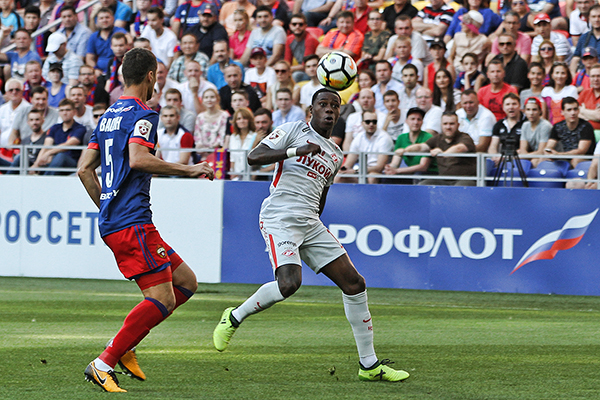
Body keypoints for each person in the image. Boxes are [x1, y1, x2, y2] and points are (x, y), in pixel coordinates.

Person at [213, 89, 410, 383]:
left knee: (354, 284)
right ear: (311, 110)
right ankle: (234, 316)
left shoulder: (336, 154)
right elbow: (255, 157)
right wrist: (296, 151)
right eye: (323, 104)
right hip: (280, 216)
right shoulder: (293, 130)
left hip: (310, 221)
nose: (329, 109)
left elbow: (322, 194)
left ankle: (369, 365)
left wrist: (316, 220)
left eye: (335, 106)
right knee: (289, 284)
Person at [79, 47, 214, 393]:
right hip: (132, 222)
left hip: (120, 221)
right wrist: (189, 169)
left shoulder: (107, 116)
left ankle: (125, 345)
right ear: (151, 76)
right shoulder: (144, 114)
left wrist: (106, 206)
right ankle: (104, 362)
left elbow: (84, 170)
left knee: (186, 282)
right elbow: (138, 159)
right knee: (163, 298)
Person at [404, 112, 477, 186]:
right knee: (422, 185)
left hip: (465, 179)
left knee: (457, 189)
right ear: (441, 125)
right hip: (443, 179)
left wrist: (443, 154)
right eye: (445, 124)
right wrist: (405, 150)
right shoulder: (438, 138)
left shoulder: (465, 137)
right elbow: (421, 147)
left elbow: (460, 148)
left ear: (458, 125)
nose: (448, 127)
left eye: (452, 124)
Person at [30, 98, 86, 175]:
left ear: (74, 112)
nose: (64, 113)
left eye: (68, 110)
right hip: (53, 161)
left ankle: (45, 180)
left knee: (60, 156)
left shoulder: (80, 128)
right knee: (22, 158)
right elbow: (46, 146)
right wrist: (36, 164)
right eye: (62, 110)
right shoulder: (54, 128)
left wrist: (49, 153)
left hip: (71, 163)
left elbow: (68, 144)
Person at [337, 110, 393, 184]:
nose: (371, 124)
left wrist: (355, 171)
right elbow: (349, 163)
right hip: (361, 171)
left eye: (374, 122)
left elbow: (380, 167)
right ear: (362, 123)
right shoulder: (359, 137)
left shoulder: (384, 137)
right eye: (368, 122)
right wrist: (343, 170)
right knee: (338, 177)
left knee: (372, 177)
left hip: (379, 172)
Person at [384, 107, 435, 181]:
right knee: (387, 178)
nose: (416, 122)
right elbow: (395, 162)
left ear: (422, 122)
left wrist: (397, 170)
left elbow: (423, 166)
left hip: (428, 173)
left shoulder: (428, 137)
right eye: (412, 119)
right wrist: (390, 168)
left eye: (419, 119)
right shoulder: (401, 138)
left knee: (417, 176)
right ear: (406, 121)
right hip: (410, 172)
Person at [544, 97, 595, 168]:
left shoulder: (586, 126)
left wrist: (559, 155)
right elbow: (549, 146)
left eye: (575, 109)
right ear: (562, 112)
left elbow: (581, 151)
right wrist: (549, 152)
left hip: (584, 158)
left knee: (576, 160)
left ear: (578, 110)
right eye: (569, 110)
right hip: (564, 157)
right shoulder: (558, 126)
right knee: (543, 159)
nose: (573, 113)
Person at [86, 8, 128, 76]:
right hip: (100, 73)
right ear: (97, 21)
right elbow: (89, 58)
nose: (104, 20)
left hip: (118, 70)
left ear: (113, 18)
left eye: (107, 17)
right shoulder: (93, 36)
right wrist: (95, 69)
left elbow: (129, 43)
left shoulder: (120, 32)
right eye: (101, 18)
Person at [488, 92, 526, 164]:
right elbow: (493, 146)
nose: (511, 107)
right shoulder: (499, 124)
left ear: (519, 105)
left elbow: (524, 149)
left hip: (521, 160)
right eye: (507, 104)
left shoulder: (526, 123)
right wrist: (495, 156)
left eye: (514, 104)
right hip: (501, 159)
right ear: (503, 107)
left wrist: (506, 158)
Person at [6, 110, 47, 174]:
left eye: (37, 120)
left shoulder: (47, 138)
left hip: (35, 168)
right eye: (31, 120)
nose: (34, 122)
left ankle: (7, 178)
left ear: (43, 121)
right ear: (28, 122)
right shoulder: (25, 140)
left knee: (20, 157)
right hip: (20, 166)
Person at [285, 13, 320, 83]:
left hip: (313, 70)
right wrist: (284, 68)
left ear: (305, 26)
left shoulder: (310, 39)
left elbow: (306, 64)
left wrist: (286, 69)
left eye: (300, 24)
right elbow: (287, 61)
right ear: (290, 26)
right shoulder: (289, 39)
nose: (297, 27)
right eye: (294, 24)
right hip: (302, 69)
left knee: (296, 75)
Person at [518, 97, 552, 167]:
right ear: (524, 111)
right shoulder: (525, 125)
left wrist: (521, 156)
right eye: (528, 109)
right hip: (534, 155)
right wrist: (522, 156)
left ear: (540, 111)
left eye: (534, 109)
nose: (531, 113)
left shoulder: (546, 125)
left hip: (550, 156)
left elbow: (541, 151)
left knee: (534, 161)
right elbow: (523, 149)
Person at [227, 107, 258, 177]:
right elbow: (232, 159)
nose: (242, 121)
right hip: (235, 176)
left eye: (244, 118)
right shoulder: (233, 137)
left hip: (250, 175)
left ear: (249, 120)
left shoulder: (255, 136)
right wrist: (232, 173)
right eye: (239, 119)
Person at [571, 5, 600, 76]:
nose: (597, 19)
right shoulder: (584, 37)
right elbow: (576, 58)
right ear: (589, 18)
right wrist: (574, 77)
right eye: (593, 17)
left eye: (599, 16)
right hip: (585, 75)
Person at [579, 63, 600, 131]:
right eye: (593, 76)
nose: (596, 79)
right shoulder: (585, 93)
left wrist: (583, 111)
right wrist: (593, 114)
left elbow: (599, 116)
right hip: (586, 132)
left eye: (598, 76)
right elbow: (576, 112)